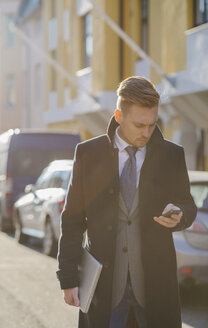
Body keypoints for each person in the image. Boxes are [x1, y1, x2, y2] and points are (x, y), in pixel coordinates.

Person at [56, 76, 197, 328]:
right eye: (139, 125)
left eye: (152, 125)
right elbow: (72, 220)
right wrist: (68, 278)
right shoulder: (88, 154)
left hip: (155, 286)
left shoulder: (172, 155)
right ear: (119, 116)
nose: (146, 133)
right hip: (103, 287)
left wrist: (180, 215)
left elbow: (187, 203)